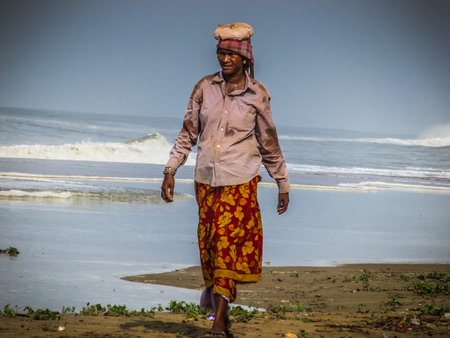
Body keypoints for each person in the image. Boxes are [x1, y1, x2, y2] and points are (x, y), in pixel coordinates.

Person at [161, 23, 290, 337]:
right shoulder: (204, 87)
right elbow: (188, 132)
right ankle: (220, 305)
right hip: (205, 181)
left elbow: (268, 141)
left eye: (231, 54)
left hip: (240, 181)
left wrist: (282, 182)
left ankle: (219, 320)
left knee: (225, 244)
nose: (224, 59)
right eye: (220, 53)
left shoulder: (257, 94)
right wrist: (170, 169)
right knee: (208, 246)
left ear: (244, 57)